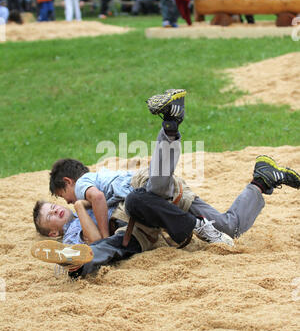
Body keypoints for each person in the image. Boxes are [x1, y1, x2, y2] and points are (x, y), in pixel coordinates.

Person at [32, 90, 300, 280]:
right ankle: (262, 180)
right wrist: (80, 218)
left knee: (141, 198)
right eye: (51, 214)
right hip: (156, 213)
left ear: (69, 182)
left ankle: (170, 125)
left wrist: (81, 204)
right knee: (230, 227)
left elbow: (100, 201)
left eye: (61, 198)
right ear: (52, 233)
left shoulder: (86, 186)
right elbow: (96, 236)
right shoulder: (76, 220)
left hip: (150, 195)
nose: (63, 204)